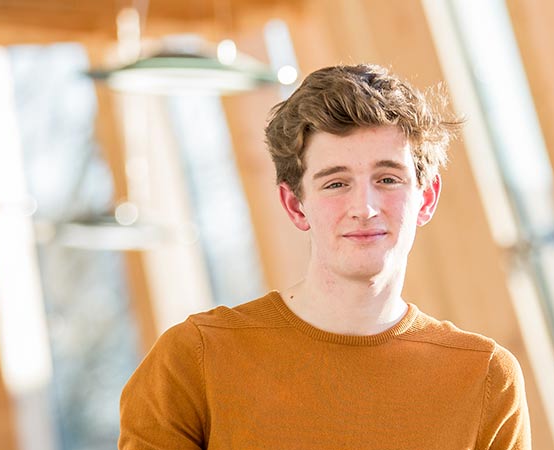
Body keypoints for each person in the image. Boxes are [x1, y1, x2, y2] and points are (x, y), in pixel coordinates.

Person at [118, 64, 530, 450]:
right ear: (295, 206)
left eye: (388, 179)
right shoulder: (195, 360)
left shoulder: (486, 378)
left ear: (427, 198)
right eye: (336, 183)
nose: (364, 208)